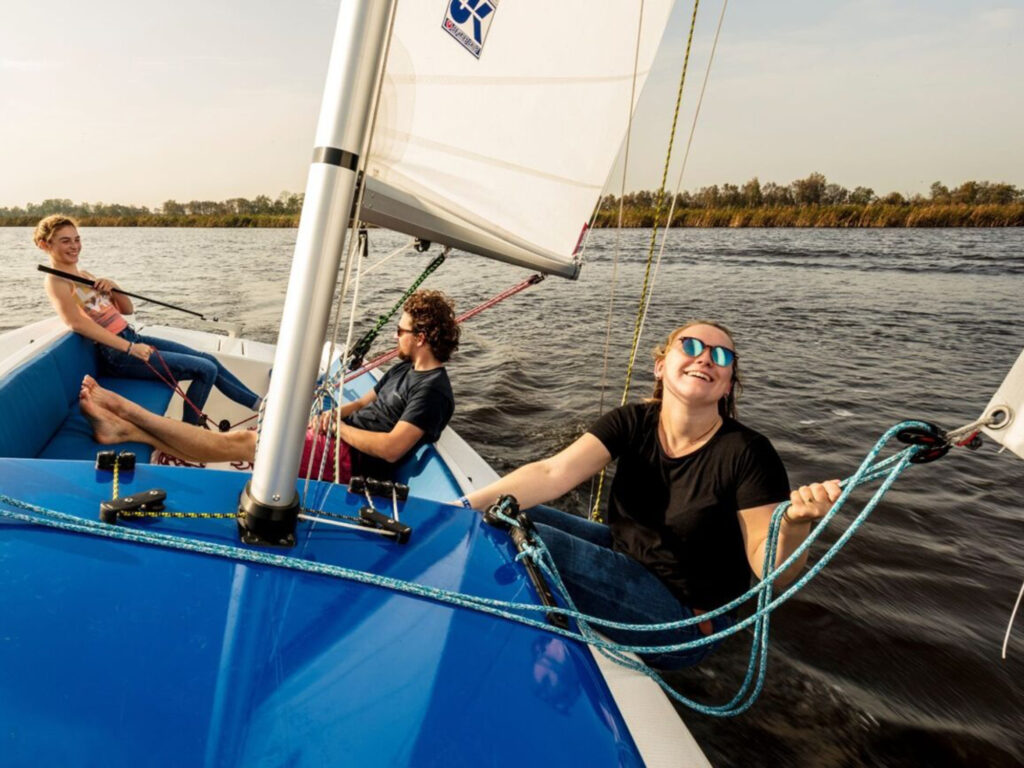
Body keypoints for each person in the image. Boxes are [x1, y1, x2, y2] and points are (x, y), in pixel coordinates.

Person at [462, 320, 841, 668]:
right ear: (661, 365)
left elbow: (770, 573)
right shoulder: (633, 421)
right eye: (690, 346)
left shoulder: (748, 453)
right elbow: (551, 472)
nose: (705, 358)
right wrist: (456, 510)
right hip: (629, 559)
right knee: (503, 512)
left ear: (727, 385)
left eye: (721, 356)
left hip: (684, 619)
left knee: (523, 538)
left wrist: (794, 524)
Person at [79, 290, 460, 483]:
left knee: (243, 443)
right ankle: (124, 430)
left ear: (422, 337)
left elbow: (392, 450)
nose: (396, 335)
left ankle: (127, 412)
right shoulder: (403, 368)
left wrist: (337, 429)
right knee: (256, 437)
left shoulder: (433, 391)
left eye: (402, 330)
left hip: (349, 462)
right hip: (337, 439)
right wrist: (331, 414)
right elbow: (365, 400)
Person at [34, 214, 261, 425]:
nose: (74, 246)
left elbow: (127, 309)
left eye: (76, 239)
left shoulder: (85, 276)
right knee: (204, 369)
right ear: (46, 245)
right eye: (65, 241)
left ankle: (258, 404)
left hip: (131, 335)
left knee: (207, 359)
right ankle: (189, 432)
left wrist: (114, 287)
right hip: (117, 354)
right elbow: (77, 323)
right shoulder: (57, 282)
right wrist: (131, 348)